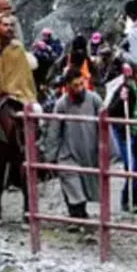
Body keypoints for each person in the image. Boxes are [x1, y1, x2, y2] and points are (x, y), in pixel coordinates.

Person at [43, 69, 103, 220]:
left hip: (89, 151)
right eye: (75, 85)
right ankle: (76, 215)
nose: (79, 88)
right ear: (68, 86)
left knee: (86, 185)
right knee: (72, 183)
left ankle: (80, 215)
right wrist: (51, 156)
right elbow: (54, 131)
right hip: (68, 153)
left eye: (81, 84)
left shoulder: (94, 100)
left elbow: (105, 126)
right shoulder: (61, 104)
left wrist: (105, 151)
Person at [108, 63, 137, 213]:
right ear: (134, 79)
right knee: (131, 165)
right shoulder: (125, 89)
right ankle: (133, 198)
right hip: (125, 132)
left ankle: (129, 195)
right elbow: (111, 111)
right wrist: (121, 100)